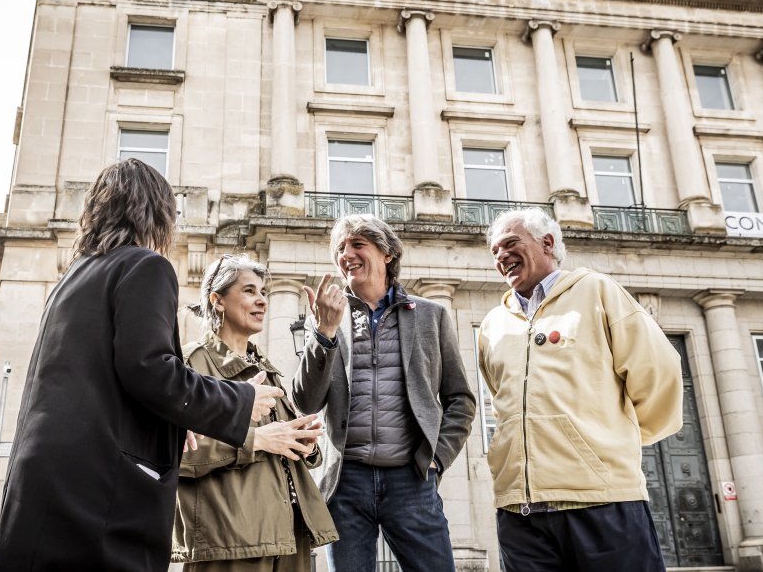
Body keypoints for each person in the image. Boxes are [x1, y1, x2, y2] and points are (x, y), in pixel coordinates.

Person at [0, 158, 285, 572]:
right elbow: (149, 369)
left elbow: (100, 380)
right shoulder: (146, 267)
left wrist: (172, 422)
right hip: (99, 495)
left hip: (39, 487)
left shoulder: (71, 280)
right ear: (158, 213)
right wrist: (240, 400)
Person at [477, 208, 684, 572]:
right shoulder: (493, 324)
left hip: (602, 502)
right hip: (519, 512)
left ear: (548, 243)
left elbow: (658, 371)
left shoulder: (597, 290)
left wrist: (612, 440)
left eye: (510, 243)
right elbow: (500, 400)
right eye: (494, 251)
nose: (501, 256)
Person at [292, 214, 476, 571]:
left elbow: (460, 399)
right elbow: (306, 402)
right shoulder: (328, 318)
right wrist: (323, 334)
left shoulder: (431, 315)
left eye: (358, 244)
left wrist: (436, 459)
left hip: (411, 480)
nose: (347, 254)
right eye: (341, 249)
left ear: (387, 253)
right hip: (346, 484)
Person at [172, 254, 338, 571]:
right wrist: (257, 440)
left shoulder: (268, 369)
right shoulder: (190, 365)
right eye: (249, 291)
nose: (262, 300)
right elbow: (174, 453)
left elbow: (283, 446)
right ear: (217, 301)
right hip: (229, 543)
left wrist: (304, 441)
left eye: (263, 292)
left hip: (290, 537)